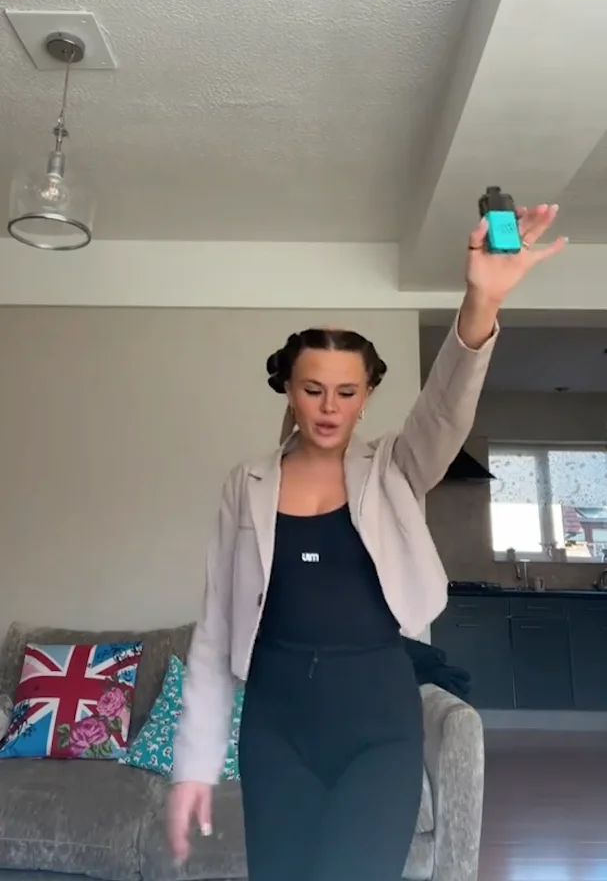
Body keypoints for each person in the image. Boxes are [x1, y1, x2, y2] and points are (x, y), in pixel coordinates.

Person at [168, 205, 565, 881]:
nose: (329, 406)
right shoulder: (247, 483)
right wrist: (193, 767)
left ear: (366, 396)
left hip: (377, 721)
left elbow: (444, 409)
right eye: (313, 389)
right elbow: (214, 631)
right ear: (289, 392)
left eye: (346, 392)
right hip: (274, 725)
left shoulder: (396, 469)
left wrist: (482, 301)